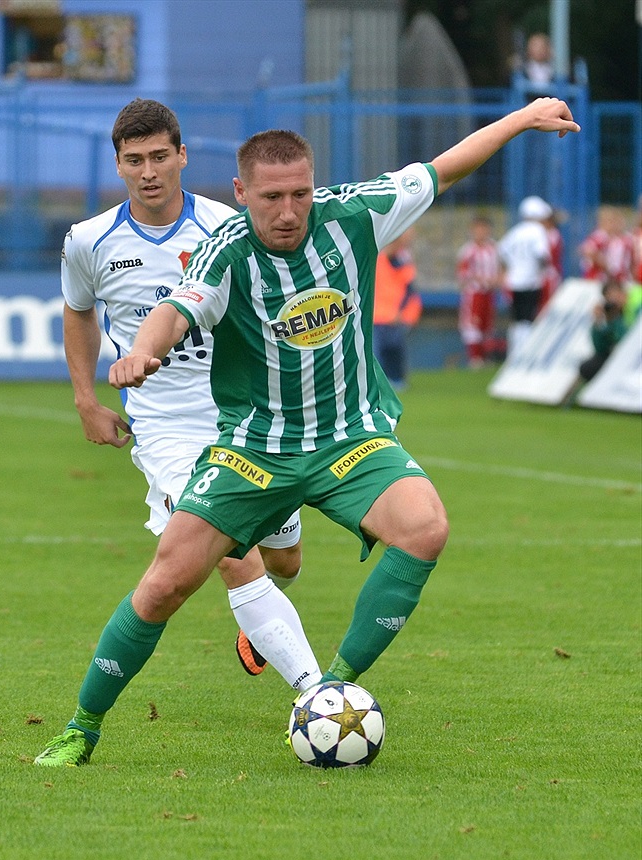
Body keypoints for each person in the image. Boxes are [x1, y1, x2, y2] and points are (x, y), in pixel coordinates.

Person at [35, 96, 579, 767]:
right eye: (271, 198)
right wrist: (143, 352)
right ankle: (81, 727)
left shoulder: (355, 213)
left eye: (299, 194)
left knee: (424, 525)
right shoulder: (223, 249)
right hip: (255, 449)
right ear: (242, 194)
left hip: (350, 438)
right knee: (165, 584)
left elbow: (442, 170)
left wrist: (523, 118)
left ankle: (335, 691)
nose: (287, 212)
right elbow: (175, 311)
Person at [61, 99, 310, 682]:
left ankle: (260, 625)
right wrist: (85, 399)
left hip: (247, 418)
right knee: (231, 555)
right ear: (119, 166)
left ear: (182, 156)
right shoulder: (88, 241)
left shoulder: (227, 227)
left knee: (284, 558)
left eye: (159, 156)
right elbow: (78, 313)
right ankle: (318, 696)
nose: (148, 171)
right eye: (134, 160)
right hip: (165, 427)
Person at [498, 195, 553, 357]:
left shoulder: (516, 231)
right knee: (528, 317)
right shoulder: (538, 231)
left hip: (514, 280)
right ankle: (525, 353)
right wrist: (542, 268)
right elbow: (541, 254)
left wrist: (510, 268)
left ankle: (514, 352)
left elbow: (501, 250)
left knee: (517, 318)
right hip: (531, 280)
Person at [373, 227, 422, 388]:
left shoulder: (402, 262)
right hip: (376, 316)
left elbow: (410, 292)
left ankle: (396, 380)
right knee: (376, 353)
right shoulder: (377, 258)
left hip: (395, 317)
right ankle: (379, 383)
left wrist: (403, 314)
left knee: (395, 350)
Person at [456, 214, 502, 368]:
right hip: (474, 293)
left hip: (489, 293)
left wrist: (498, 279)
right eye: (478, 229)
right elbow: (463, 274)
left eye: (485, 229)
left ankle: (485, 357)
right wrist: (480, 280)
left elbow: (501, 267)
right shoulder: (468, 251)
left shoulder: (494, 248)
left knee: (487, 325)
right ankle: (475, 359)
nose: (482, 232)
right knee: (472, 324)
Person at [579, 206, 636, 285]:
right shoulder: (600, 236)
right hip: (599, 279)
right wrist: (606, 266)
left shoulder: (627, 239)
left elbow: (631, 261)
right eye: (612, 221)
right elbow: (588, 250)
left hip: (622, 279)